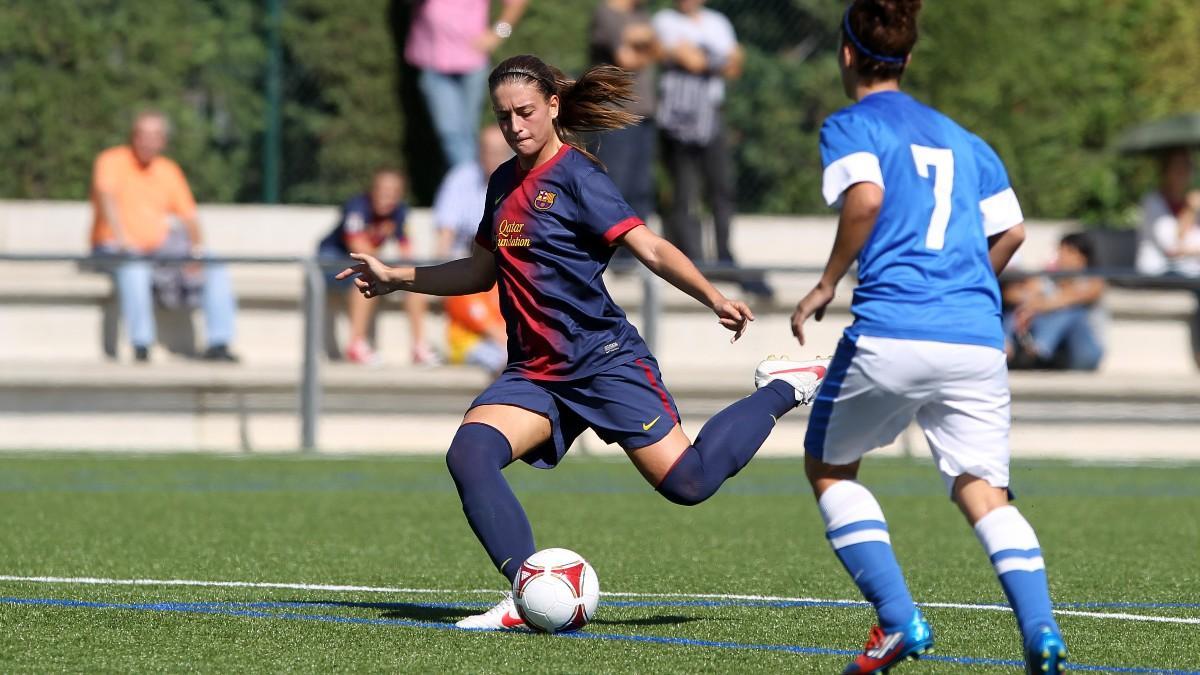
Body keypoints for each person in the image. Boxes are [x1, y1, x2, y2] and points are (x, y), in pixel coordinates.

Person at [338, 54, 828, 630]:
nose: (515, 126)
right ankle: (527, 592)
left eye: (524, 112)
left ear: (552, 106)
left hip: (602, 361)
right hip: (536, 373)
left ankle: (781, 388)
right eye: (503, 117)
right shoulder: (502, 183)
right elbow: (478, 273)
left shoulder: (579, 177)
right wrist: (397, 277)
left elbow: (649, 248)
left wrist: (712, 296)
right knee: (469, 455)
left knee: (690, 483)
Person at [784, 1, 1066, 672]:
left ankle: (898, 620)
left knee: (829, 466)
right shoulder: (965, 140)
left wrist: (826, 283)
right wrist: (966, 283)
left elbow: (867, 197)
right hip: (974, 337)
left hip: (893, 329)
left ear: (846, 54)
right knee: (982, 489)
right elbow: (1014, 232)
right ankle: (1043, 630)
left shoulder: (851, 124)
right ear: (906, 59)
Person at [90, 110, 239, 363]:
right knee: (134, 267)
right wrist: (122, 237)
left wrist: (196, 251)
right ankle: (141, 344)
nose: (148, 141)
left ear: (163, 141)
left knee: (212, 265)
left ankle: (219, 342)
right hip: (114, 247)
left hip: (158, 249)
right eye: (142, 134)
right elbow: (106, 199)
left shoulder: (168, 170)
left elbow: (190, 216)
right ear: (133, 136)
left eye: (155, 135)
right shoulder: (111, 160)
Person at [653, 0, 772, 299]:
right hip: (679, 116)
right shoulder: (665, 20)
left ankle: (723, 254)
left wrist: (705, 57)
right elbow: (693, 60)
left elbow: (734, 65)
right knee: (686, 190)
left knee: (722, 187)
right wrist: (715, 59)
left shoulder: (717, 22)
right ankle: (692, 257)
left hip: (712, 113)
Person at [317, 170, 435, 366]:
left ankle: (419, 346)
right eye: (383, 191)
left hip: (365, 259)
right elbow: (358, 247)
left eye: (393, 192)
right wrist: (389, 269)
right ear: (373, 191)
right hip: (333, 259)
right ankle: (356, 344)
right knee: (365, 278)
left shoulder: (400, 211)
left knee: (414, 277)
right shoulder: (356, 207)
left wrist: (404, 272)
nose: (387, 197)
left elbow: (407, 250)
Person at [405, 0, 529, 169]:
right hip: (432, 60)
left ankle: (481, 183)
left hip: (471, 61)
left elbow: (516, 3)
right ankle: (474, 183)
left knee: (468, 132)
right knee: (450, 133)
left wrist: (498, 34)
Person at [433, 126, 513, 374]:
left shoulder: (522, 178)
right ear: (479, 152)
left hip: (504, 258)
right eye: (488, 151)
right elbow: (445, 235)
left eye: (499, 151)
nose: (493, 157)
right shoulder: (461, 179)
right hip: (466, 259)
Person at [589, 0, 659, 221]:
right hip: (616, 114)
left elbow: (659, 51)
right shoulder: (606, 13)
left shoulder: (642, 14)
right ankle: (613, 252)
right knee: (615, 185)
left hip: (644, 113)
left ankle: (635, 250)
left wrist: (639, 40)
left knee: (641, 188)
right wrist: (646, 42)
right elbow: (625, 59)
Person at [1135, 147, 1200, 368]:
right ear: (1166, 171)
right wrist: (1189, 212)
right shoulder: (1154, 202)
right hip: (1157, 271)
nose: (1183, 173)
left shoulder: (1190, 204)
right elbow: (1172, 247)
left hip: (1188, 271)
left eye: (1187, 167)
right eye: (1178, 167)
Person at [1004, 233, 1105, 371]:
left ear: (1083, 257)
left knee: (1071, 311)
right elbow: (1012, 295)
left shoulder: (1094, 281)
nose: (1061, 256)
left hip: (1085, 352)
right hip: (1058, 354)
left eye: (1069, 252)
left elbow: (1070, 298)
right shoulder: (1049, 278)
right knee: (1014, 310)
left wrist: (1035, 306)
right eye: (1060, 250)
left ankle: (1039, 349)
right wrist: (1030, 304)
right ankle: (1011, 347)